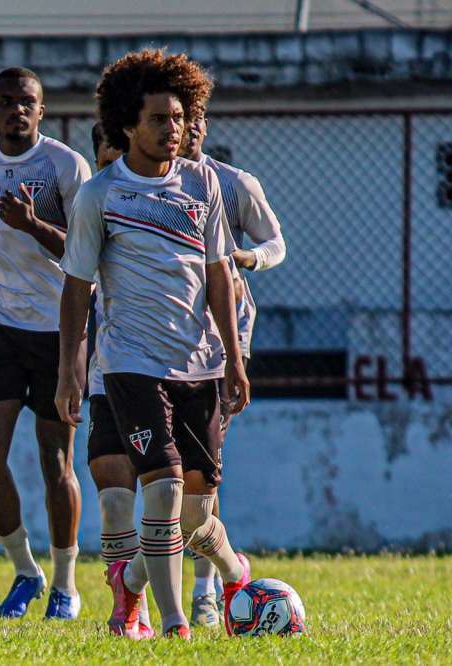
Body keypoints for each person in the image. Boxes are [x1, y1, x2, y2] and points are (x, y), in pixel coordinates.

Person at [56, 49, 252, 639]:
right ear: (126, 126)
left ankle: (203, 572)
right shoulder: (101, 196)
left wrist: (235, 362)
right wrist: (71, 370)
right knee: (162, 489)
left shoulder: (204, 185)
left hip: (202, 364)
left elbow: (219, 276)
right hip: (131, 365)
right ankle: (173, 625)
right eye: (160, 119)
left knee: (195, 513)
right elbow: (75, 289)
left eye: (179, 116)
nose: (175, 129)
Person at [0, 67, 91, 620]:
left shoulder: (64, 165)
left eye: (26, 102)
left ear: (42, 108)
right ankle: (25, 571)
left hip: (61, 327)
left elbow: (86, 250)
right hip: (2, 325)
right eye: (6, 102)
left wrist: (33, 226)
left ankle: (65, 585)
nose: (16, 110)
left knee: (56, 460)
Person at [180, 104, 286, 627]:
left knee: (203, 467)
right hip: (164, 337)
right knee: (164, 470)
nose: (191, 126)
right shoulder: (143, 186)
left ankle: (204, 589)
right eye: (182, 116)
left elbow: (275, 243)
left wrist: (248, 259)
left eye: (199, 116)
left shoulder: (233, 183)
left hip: (223, 338)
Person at [84, 123, 155, 639]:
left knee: (178, 505)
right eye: (106, 154)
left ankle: (212, 582)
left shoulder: (172, 200)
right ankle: (133, 610)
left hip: (169, 372)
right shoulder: (92, 202)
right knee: (113, 496)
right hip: (107, 372)